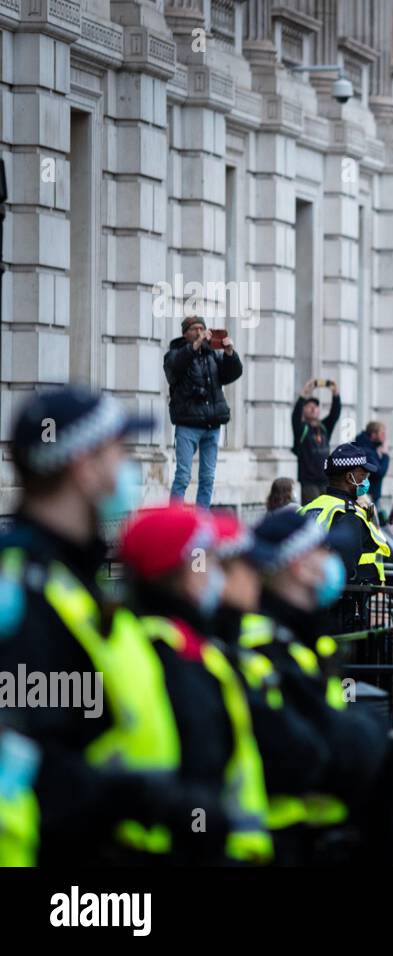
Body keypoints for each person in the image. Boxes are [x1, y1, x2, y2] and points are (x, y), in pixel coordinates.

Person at [0, 388, 206, 865]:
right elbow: (32, 760)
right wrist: (138, 800)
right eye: (119, 453)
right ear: (84, 466)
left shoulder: (77, 578)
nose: (127, 473)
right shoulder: (21, 592)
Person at [118, 505, 273, 864]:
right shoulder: (170, 654)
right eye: (207, 565)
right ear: (183, 574)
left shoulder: (197, 650)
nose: (214, 576)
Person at [240, 508, 390, 862]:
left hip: (322, 831)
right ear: (298, 564)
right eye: (324, 551)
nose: (331, 562)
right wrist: (361, 736)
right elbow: (304, 750)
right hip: (280, 838)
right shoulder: (263, 647)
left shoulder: (306, 635)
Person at [164, 315, 243, 508]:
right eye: (194, 329)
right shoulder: (174, 354)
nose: (199, 332)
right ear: (185, 333)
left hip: (211, 425)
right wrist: (195, 346)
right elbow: (174, 368)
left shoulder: (212, 356)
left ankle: (202, 522)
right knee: (183, 476)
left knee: (207, 478)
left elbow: (232, 374)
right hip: (187, 425)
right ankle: (173, 521)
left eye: (202, 328)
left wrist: (230, 353)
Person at [299, 443, 391, 584]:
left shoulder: (310, 507)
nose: (366, 480)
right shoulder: (349, 515)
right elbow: (345, 569)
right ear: (349, 478)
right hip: (349, 601)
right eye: (363, 475)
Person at [291, 378, 341, 503]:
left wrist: (335, 394)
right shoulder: (302, 429)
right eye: (309, 406)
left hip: (326, 481)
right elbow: (295, 416)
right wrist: (304, 394)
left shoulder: (324, 428)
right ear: (304, 410)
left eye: (316, 407)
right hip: (309, 483)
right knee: (314, 514)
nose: (313, 409)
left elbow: (334, 414)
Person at [352, 421, 391, 514]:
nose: (384, 437)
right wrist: (385, 455)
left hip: (370, 495)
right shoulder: (367, 450)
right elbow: (379, 472)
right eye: (382, 433)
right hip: (368, 496)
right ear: (373, 435)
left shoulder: (370, 448)